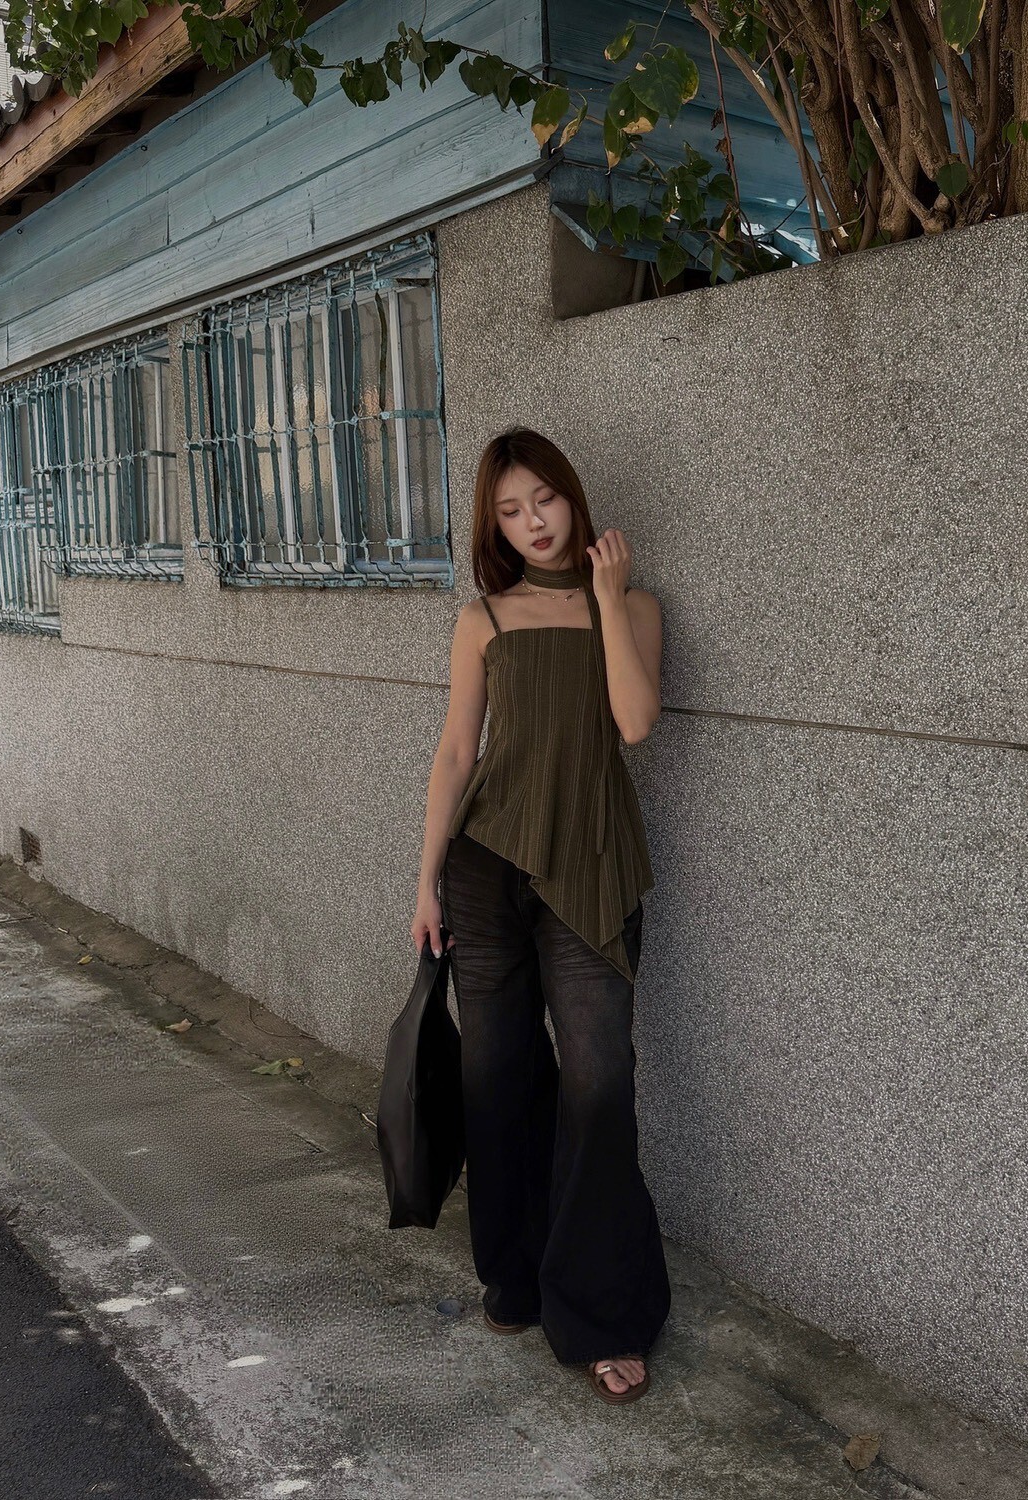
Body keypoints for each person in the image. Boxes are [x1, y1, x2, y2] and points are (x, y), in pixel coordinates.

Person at [410, 426, 671, 1404]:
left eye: (544, 500)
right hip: (486, 869)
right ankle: (514, 1277)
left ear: (571, 494)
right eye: (511, 511)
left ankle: (602, 1314)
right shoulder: (483, 618)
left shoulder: (632, 606)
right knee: (497, 1076)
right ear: (496, 524)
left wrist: (607, 596)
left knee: (599, 1083)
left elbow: (634, 722)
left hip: (591, 869)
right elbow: (455, 753)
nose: (533, 523)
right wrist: (425, 881)